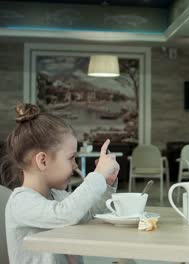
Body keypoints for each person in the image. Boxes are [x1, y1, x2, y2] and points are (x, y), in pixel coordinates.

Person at [1, 103, 120, 264]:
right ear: (43, 161)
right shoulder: (21, 203)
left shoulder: (56, 196)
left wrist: (107, 183)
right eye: (71, 158)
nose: (75, 165)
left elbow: (89, 211)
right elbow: (66, 214)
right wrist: (97, 175)